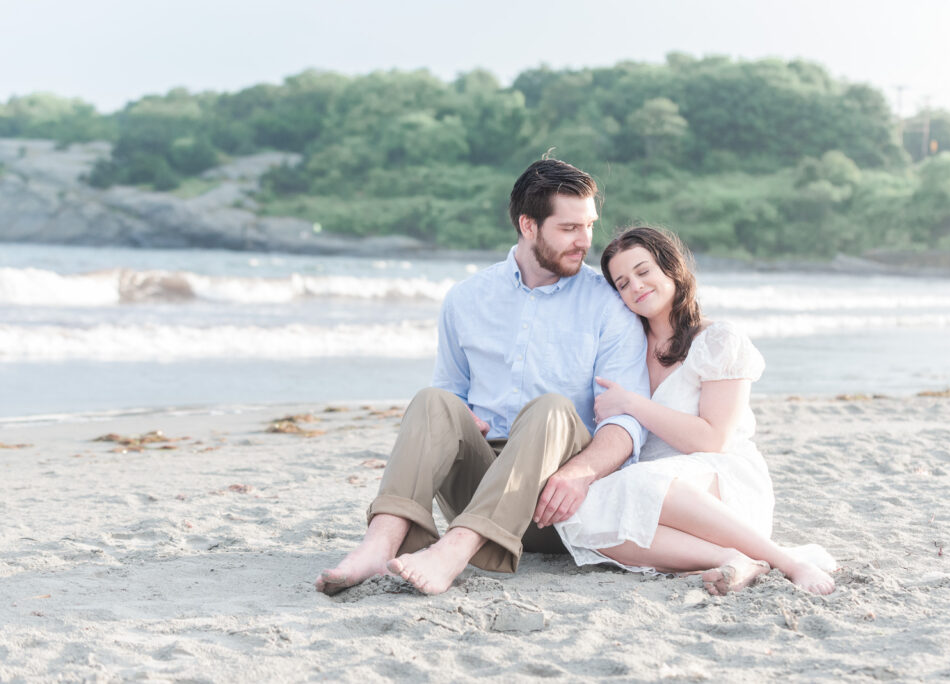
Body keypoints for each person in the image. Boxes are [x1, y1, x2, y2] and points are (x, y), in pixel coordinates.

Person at [315, 159, 650, 596]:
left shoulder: (609, 304)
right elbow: (451, 397)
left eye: (588, 226)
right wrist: (463, 416)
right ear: (528, 225)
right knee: (432, 400)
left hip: (557, 502)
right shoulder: (466, 299)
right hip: (476, 488)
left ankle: (455, 550)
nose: (585, 241)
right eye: (569, 229)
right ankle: (380, 543)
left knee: (552, 409)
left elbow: (628, 423)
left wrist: (582, 472)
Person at [554, 226, 836, 595]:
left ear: (671, 268)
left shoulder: (717, 340)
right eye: (622, 283)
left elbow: (713, 439)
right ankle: (732, 559)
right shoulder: (626, 350)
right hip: (653, 493)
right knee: (576, 515)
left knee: (646, 481)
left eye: (643, 272)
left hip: (721, 482)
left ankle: (787, 561)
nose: (635, 287)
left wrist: (631, 404)